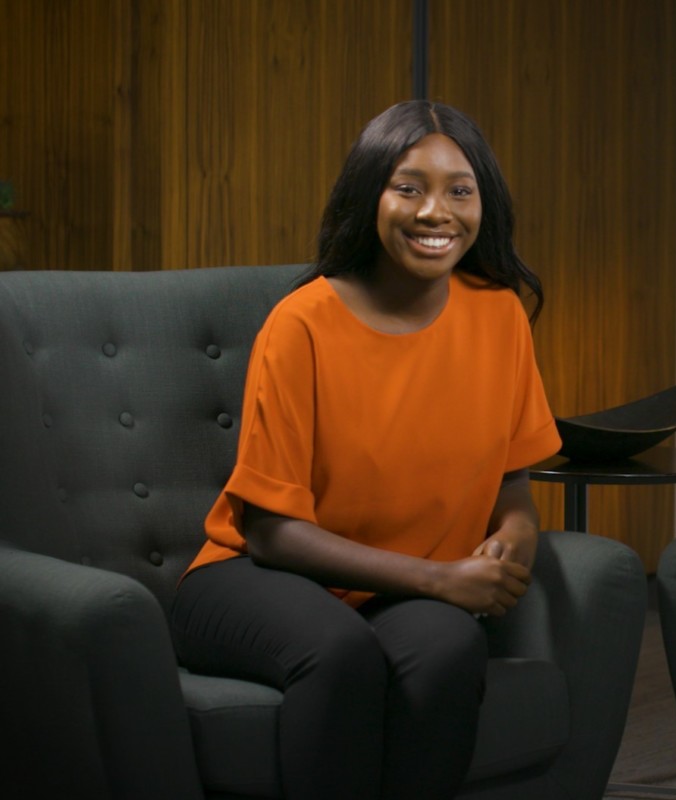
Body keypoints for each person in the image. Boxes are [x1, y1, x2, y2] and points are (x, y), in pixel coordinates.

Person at [170, 100, 562, 800]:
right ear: (368, 193)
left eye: (460, 191)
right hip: (251, 577)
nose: (435, 212)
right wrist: (441, 580)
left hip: (390, 592)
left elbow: (515, 489)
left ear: (484, 205)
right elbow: (271, 533)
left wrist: (515, 541)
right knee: (340, 653)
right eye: (408, 186)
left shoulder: (498, 314)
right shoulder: (302, 325)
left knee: (449, 647)